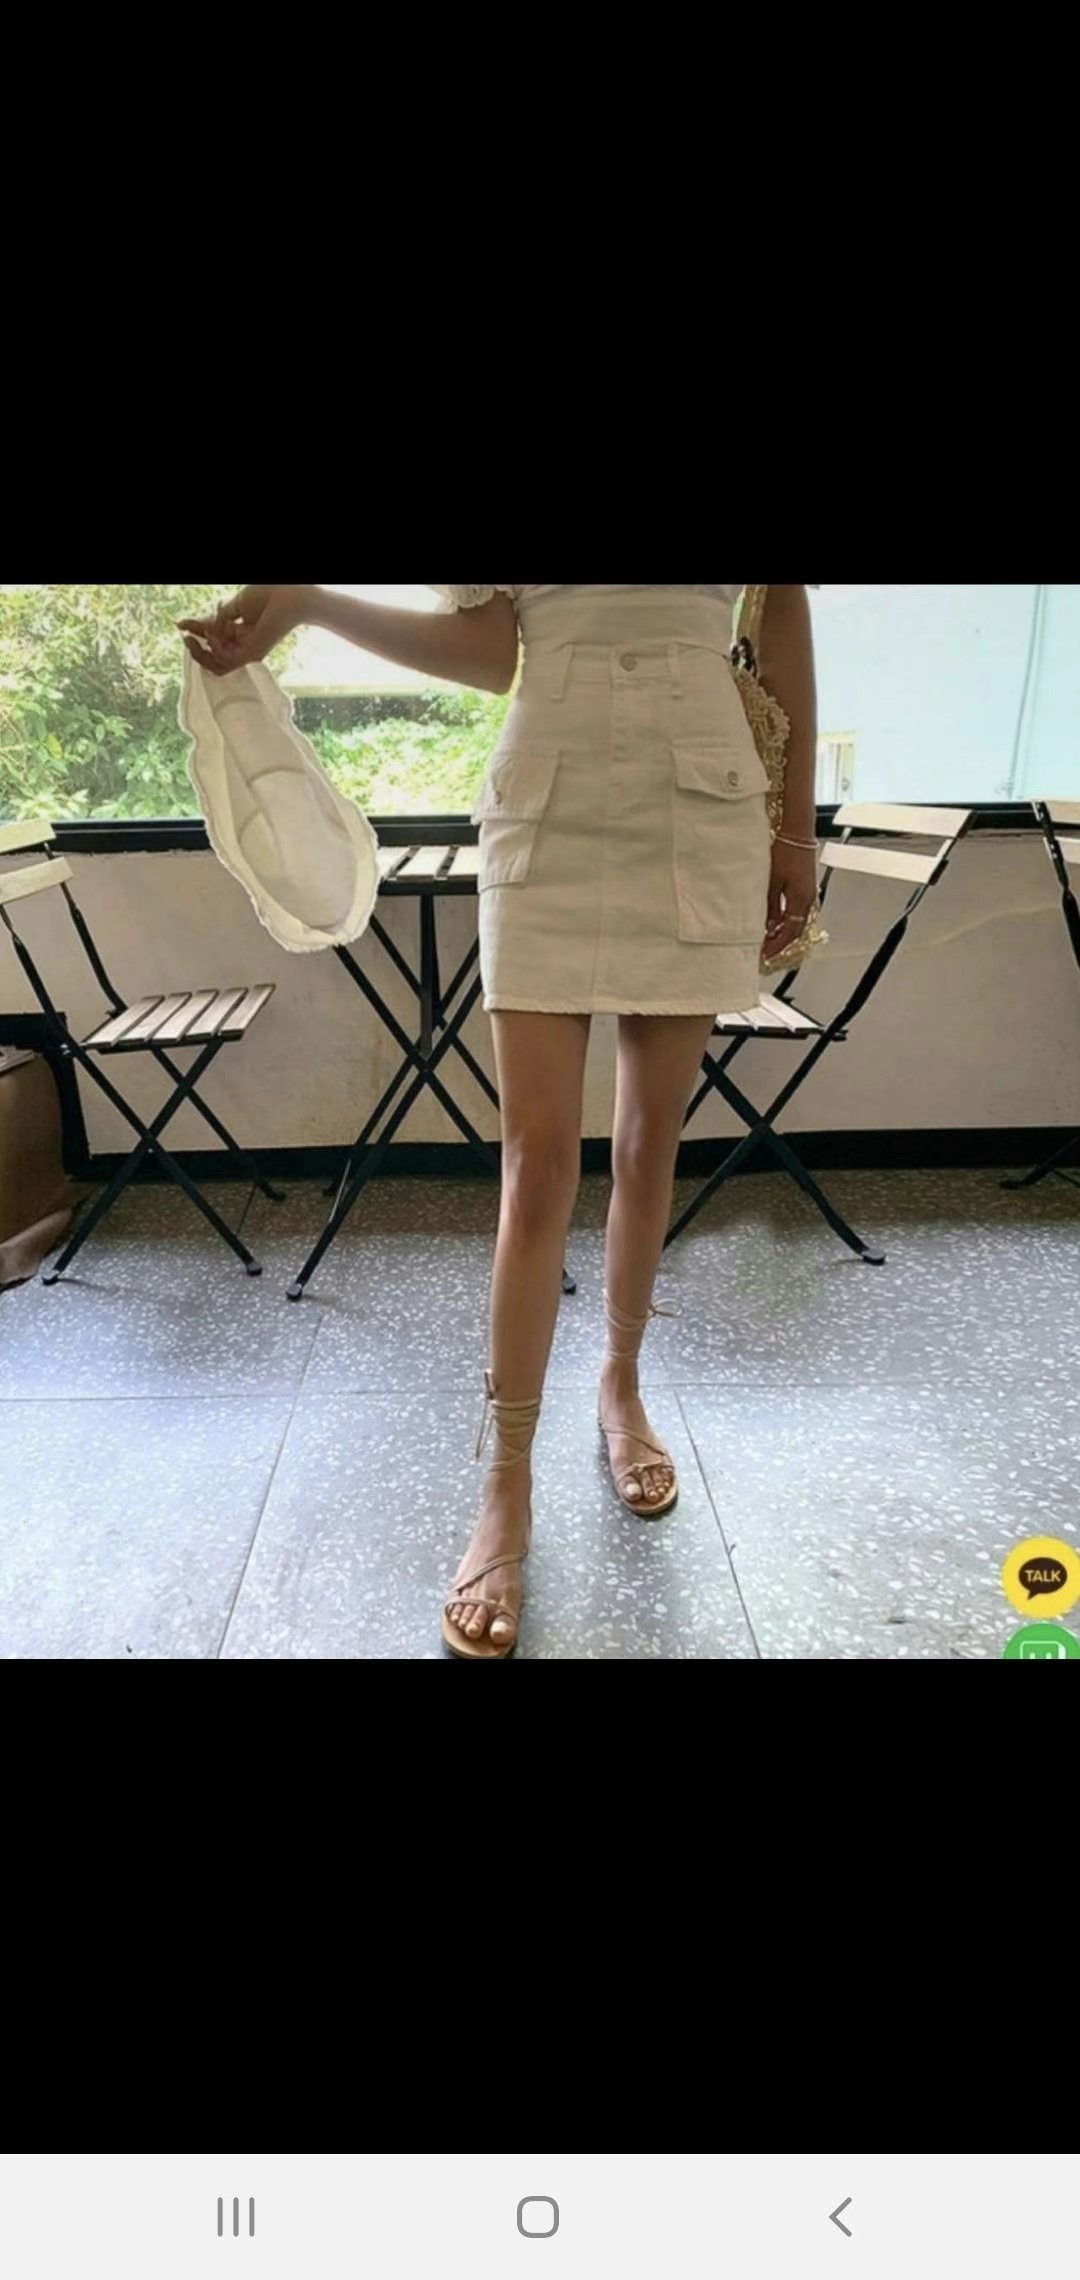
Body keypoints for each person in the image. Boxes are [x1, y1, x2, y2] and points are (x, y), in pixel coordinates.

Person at [181, 585, 820, 1660]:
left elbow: (784, 618)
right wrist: (309, 604)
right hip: (548, 808)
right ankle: (506, 1480)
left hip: (704, 804)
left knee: (651, 1141)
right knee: (536, 1161)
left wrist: (796, 831)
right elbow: (488, 655)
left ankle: (621, 1386)